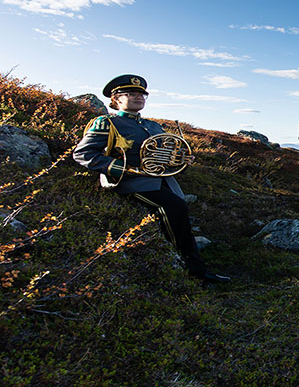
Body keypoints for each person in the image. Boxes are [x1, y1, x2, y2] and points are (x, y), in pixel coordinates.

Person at [73, 74, 230, 283]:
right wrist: (122, 169)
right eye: (131, 94)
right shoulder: (107, 123)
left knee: (179, 210)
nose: (139, 97)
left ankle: (194, 266)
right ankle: (195, 271)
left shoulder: (154, 126)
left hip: (162, 181)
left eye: (142, 94)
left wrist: (180, 160)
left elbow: (166, 158)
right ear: (116, 98)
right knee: (175, 208)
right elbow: (83, 154)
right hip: (131, 183)